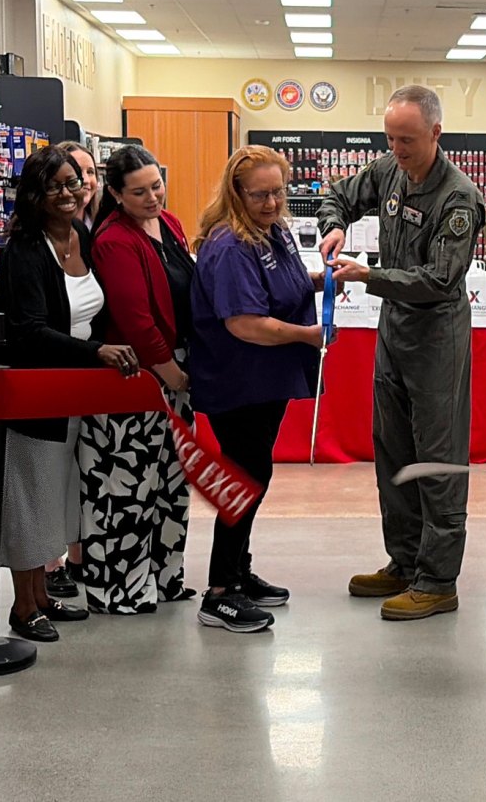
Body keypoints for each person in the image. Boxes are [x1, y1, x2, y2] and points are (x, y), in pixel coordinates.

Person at [317, 85, 484, 622]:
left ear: (436, 133)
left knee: (436, 461)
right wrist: (334, 226)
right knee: (392, 453)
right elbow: (337, 196)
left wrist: (370, 276)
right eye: (390, 138)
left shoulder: (459, 197)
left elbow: (439, 280)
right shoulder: (388, 170)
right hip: (394, 336)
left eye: (407, 139)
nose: (398, 149)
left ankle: (438, 580)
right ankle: (405, 560)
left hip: (436, 339)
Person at [0, 146, 139, 643]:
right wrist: (97, 353)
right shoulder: (26, 248)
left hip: (66, 389)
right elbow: (27, 330)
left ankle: (43, 595)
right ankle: (23, 608)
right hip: (26, 392)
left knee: (54, 497)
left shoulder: (81, 234)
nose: (68, 193)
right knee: (25, 498)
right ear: (34, 194)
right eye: (55, 186)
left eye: (74, 182)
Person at [189, 146, 324, 633]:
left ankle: (238, 571)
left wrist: (320, 281)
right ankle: (220, 592)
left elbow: (282, 285)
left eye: (277, 192)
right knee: (243, 479)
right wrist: (308, 336)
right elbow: (245, 322)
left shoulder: (273, 232)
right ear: (235, 193)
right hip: (237, 380)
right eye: (260, 195)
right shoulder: (228, 245)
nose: (271, 203)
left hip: (267, 380)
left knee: (255, 475)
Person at [82, 146, 197, 614]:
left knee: (172, 482)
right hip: (137, 379)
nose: (152, 197)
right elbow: (135, 319)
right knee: (130, 488)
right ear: (115, 194)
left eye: (156, 185)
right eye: (139, 191)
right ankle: (123, 588)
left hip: (175, 372)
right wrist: (171, 374)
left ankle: (166, 577)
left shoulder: (168, 224)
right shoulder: (113, 240)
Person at [42, 139, 103, 599]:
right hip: (49, 377)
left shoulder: (86, 235)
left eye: (85, 176)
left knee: (79, 471)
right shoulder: (35, 242)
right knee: (49, 473)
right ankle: (48, 564)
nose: (78, 187)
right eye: (65, 179)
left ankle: (77, 555)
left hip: (85, 377)